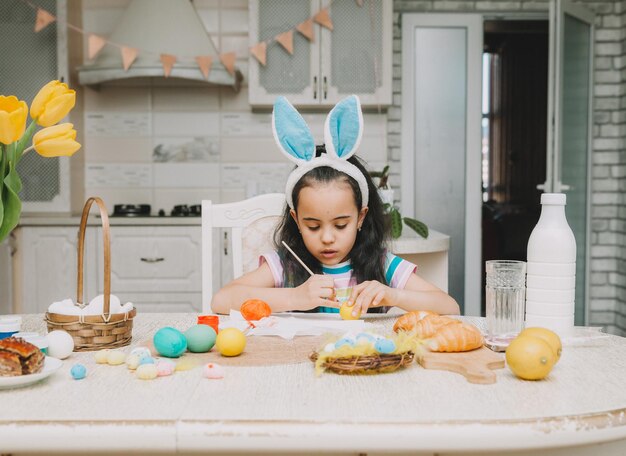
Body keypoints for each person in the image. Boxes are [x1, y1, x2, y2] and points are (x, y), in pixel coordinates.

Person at [211, 95, 459, 316]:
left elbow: (449, 306)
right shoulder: (285, 265)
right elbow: (221, 301)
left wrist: (393, 295)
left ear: (361, 217)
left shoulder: (380, 263)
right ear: (296, 220)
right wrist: (296, 297)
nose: (327, 238)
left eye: (341, 225)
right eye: (313, 226)